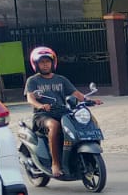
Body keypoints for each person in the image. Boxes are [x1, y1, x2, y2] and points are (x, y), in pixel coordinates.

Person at [24, 46, 101, 179]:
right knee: (54, 126)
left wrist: (90, 100)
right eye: (42, 62)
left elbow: (76, 93)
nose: (45, 65)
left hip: (63, 112)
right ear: (36, 64)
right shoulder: (33, 81)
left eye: (47, 62)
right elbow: (30, 98)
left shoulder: (61, 79)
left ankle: (76, 158)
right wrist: (40, 105)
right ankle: (55, 163)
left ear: (53, 63)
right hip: (42, 115)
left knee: (78, 125)